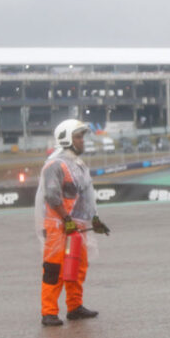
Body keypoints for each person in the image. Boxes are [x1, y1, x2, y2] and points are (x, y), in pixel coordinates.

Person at [35, 119, 110, 326]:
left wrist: (94, 219)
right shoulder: (55, 164)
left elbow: (86, 196)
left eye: (82, 137)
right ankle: (48, 312)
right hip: (57, 225)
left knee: (78, 266)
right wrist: (66, 219)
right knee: (53, 269)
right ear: (66, 138)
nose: (82, 141)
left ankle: (75, 306)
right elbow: (52, 196)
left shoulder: (76, 164)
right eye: (78, 137)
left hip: (75, 225)